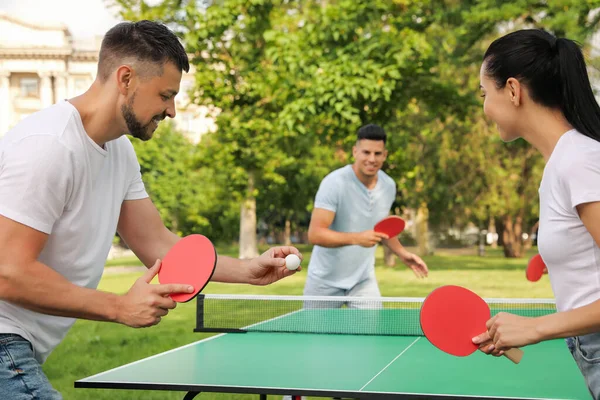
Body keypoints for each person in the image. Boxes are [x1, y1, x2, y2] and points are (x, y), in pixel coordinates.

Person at [0, 20, 301, 399]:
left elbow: (156, 242)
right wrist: (119, 306)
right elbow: (7, 273)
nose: (173, 110)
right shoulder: (49, 146)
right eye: (165, 95)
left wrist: (247, 270)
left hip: (17, 345)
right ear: (126, 79)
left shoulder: (120, 152)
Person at [472, 28, 600, 398]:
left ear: (512, 90)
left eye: (485, 93)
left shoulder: (578, 160)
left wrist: (536, 327)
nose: (484, 108)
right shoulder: (564, 162)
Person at [303, 124, 428, 309]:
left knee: (372, 336)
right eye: (366, 152)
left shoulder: (388, 186)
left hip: (362, 281)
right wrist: (357, 238)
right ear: (355, 152)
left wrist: (403, 254)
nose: (371, 159)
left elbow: (381, 229)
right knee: (317, 338)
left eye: (377, 154)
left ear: (384, 155)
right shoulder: (334, 183)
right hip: (324, 280)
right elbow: (315, 234)